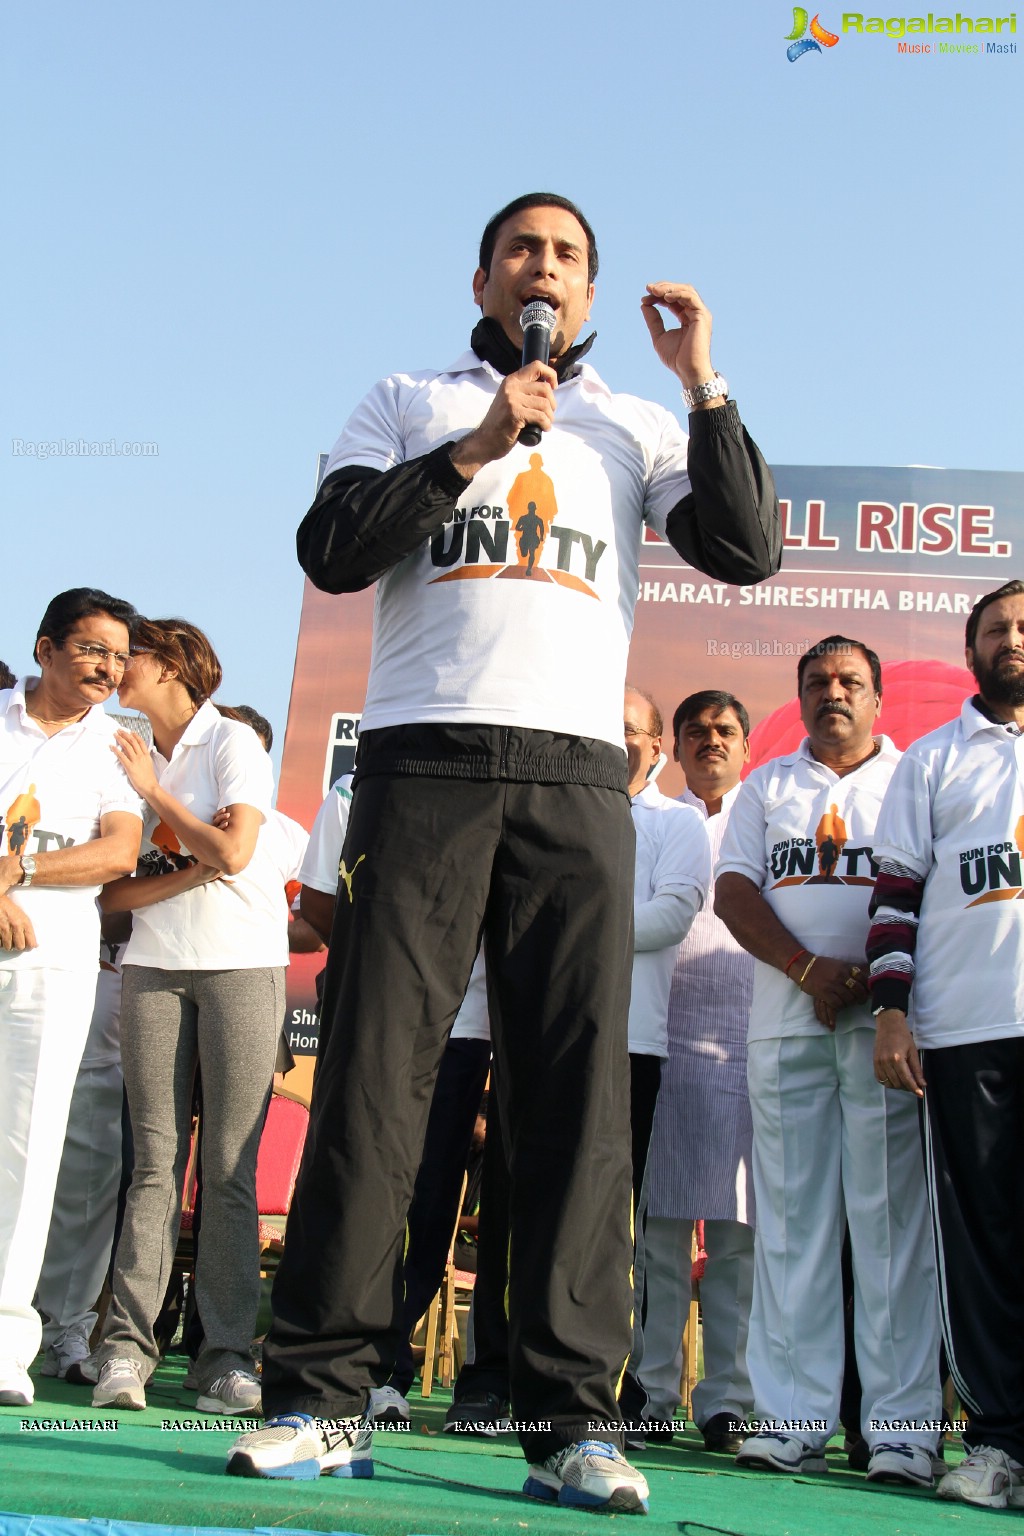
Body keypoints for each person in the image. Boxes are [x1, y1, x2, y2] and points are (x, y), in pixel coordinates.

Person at [229, 190, 780, 1513]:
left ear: (593, 292)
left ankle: (571, 1421)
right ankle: (323, 1396)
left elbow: (749, 547)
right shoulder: (405, 397)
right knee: (373, 1078)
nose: (546, 269)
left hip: (575, 777)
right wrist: (476, 444)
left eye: (570, 256)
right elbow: (332, 550)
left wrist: (705, 383)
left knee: (576, 1098)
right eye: (525, 250)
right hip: (422, 765)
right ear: (483, 277)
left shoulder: (638, 427)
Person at [715, 635, 941, 1487]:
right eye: (816, 682)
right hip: (787, 1024)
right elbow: (734, 891)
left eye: (849, 682)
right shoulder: (767, 784)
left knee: (890, 1230)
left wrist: (873, 990)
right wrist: (808, 969)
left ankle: (904, 1433)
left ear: (879, 700)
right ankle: (792, 1420)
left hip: (887, 1028)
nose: (832, 693)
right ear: (800, 697)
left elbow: (925, 890)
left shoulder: (911, 778)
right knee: (794, 1229)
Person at [89, 619, 285, 1415]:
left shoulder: (233, 740)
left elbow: (235, 854)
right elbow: (112, 898)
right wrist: (188, 871)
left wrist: (156, 795)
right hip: (152, 969)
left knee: (230, 1172)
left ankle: (225, 1357)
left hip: (241, 963)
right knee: (152, 1167)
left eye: (125, 653)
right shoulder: (121, 750)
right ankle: (126, 1353)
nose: (111, 666)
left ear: (169, 662)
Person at [867, 579, 1024, 1510]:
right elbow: (892, 900)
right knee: (986, 1244)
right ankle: (1000, 1442)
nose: (1014, 640)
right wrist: (893, 1014)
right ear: (971, 652)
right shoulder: (931, 761)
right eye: (997, 629)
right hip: (967, 1033)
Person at [0, 588, 143, 1405]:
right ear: (46, 647)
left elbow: (118, 851)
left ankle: (6, 1346)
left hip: (50, 967)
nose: (108, 669)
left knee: (26, 1150)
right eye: (93, 650)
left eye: (120, 657)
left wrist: (19, 871)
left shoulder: (115, 747)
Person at [637, 690, 756, 1454]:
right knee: (660, 1239)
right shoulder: (657, 822)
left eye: (725, 731)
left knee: (740, 1241)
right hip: (663, 1042)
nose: (711, 742)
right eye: (696, 733)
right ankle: (651, 1393)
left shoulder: (765, 818)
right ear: (673, 748)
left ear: (747, 747)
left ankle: (728, 1398)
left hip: (751, 1046)